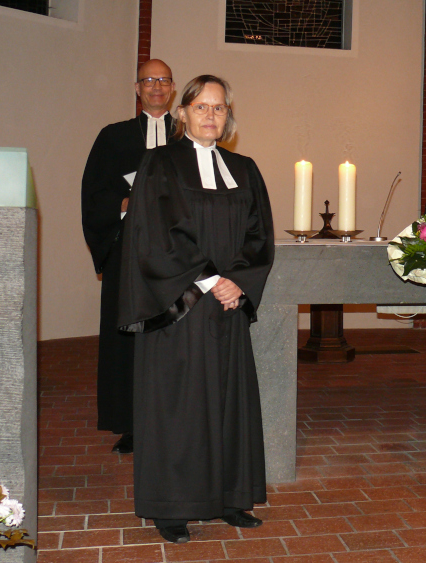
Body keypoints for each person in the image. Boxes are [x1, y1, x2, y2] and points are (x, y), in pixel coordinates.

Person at [117, 75, 275, 544]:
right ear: (183, 114)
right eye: (202, 107)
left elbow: (259, 236)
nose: (211, 115)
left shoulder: (244, 168)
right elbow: (155, 232)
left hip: (227, 306)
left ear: (229, 117)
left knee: (228, 401)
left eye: (220, 108)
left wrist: (237, 283)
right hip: (178, 308)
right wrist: (209, 279)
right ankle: (173, 506)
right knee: (178, 407)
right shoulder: (160, 163)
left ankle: (230, 497)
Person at [81, 59, 176, 454]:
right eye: (149, 80)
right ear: (137, 88)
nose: (156, 86)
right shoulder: (113, 136)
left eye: (164, 80)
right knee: (129, 337)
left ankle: (176, 417)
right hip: (128, 252)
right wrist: (127, 202)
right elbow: (93, 193)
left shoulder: (191, 134)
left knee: (172, 335)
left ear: (172, 88)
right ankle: (133, 424)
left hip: (176, 254)